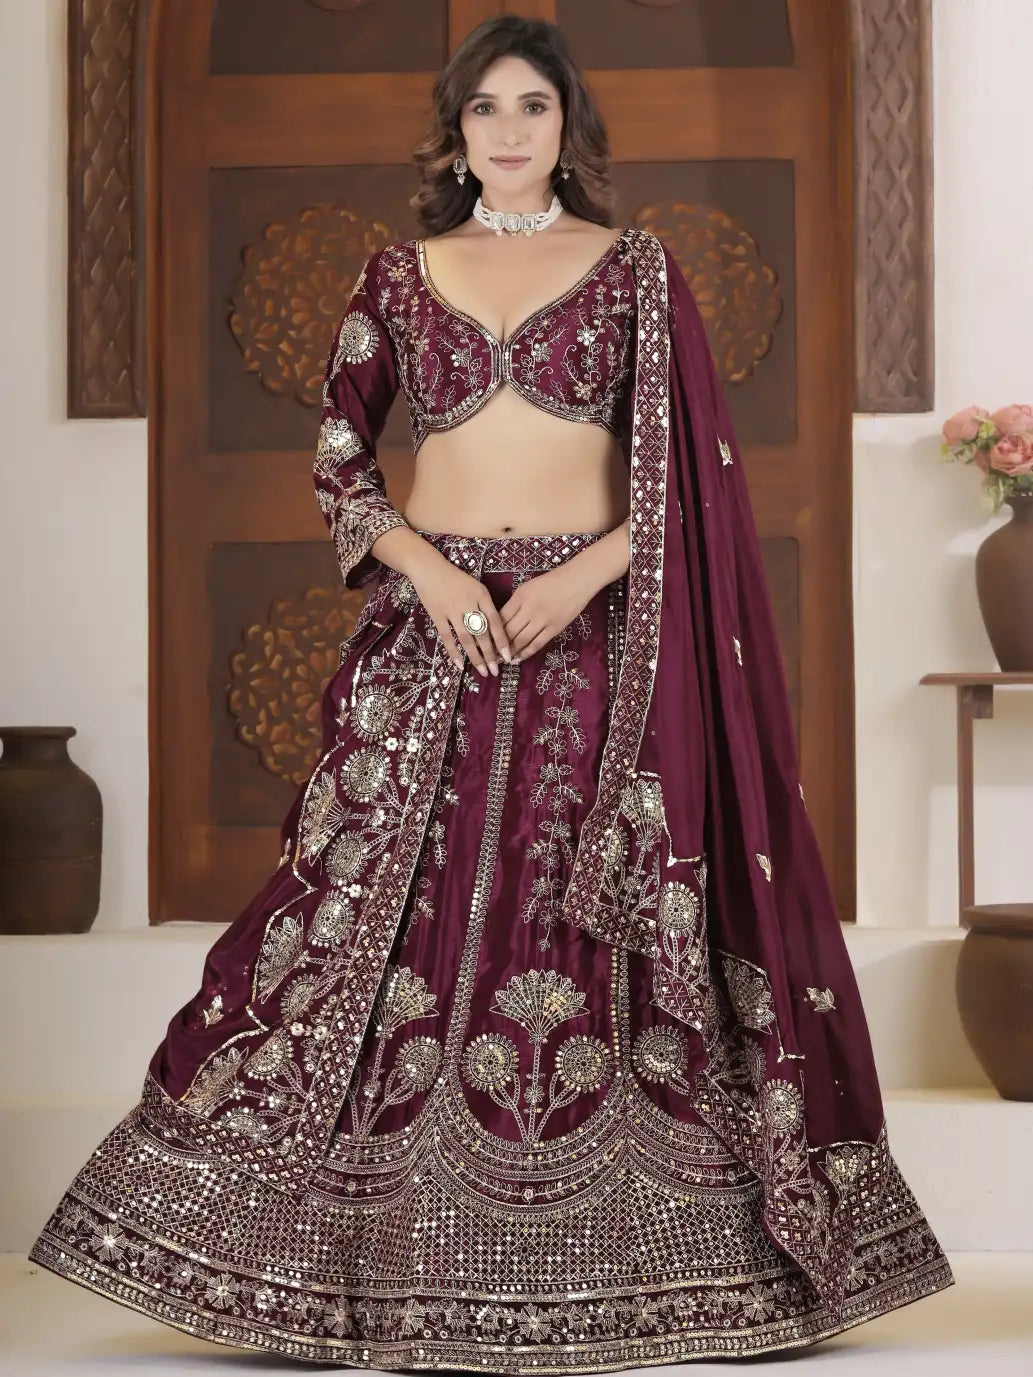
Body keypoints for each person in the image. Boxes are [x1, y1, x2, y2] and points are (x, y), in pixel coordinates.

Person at [28, 14, 954, 1370]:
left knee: (577, 919)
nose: (508, 131)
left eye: (532, 106)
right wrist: (420, 565)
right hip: (433, 633)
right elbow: (341, 460)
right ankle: (348, 1251)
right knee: (364, 916)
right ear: (452, 132)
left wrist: (576, 580)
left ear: (566, 127)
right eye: (483, 109)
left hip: (590, 640)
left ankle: (643, 1254)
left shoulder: (636, 270)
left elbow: (690, 486)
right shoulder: (395, 276)